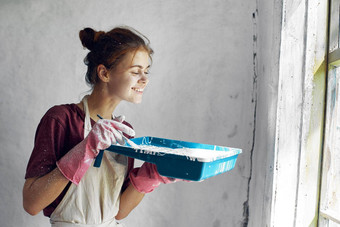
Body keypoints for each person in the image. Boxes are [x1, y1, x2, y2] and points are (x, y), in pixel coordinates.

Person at [23, 26, 184, 226]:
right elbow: (31, 204)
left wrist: (152, 174)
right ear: (104, 73)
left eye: (146, 72)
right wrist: (84, 149)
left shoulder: (123, 131)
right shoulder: (61, 120)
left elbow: (118, 212)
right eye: (136, 72)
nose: (145, 79)